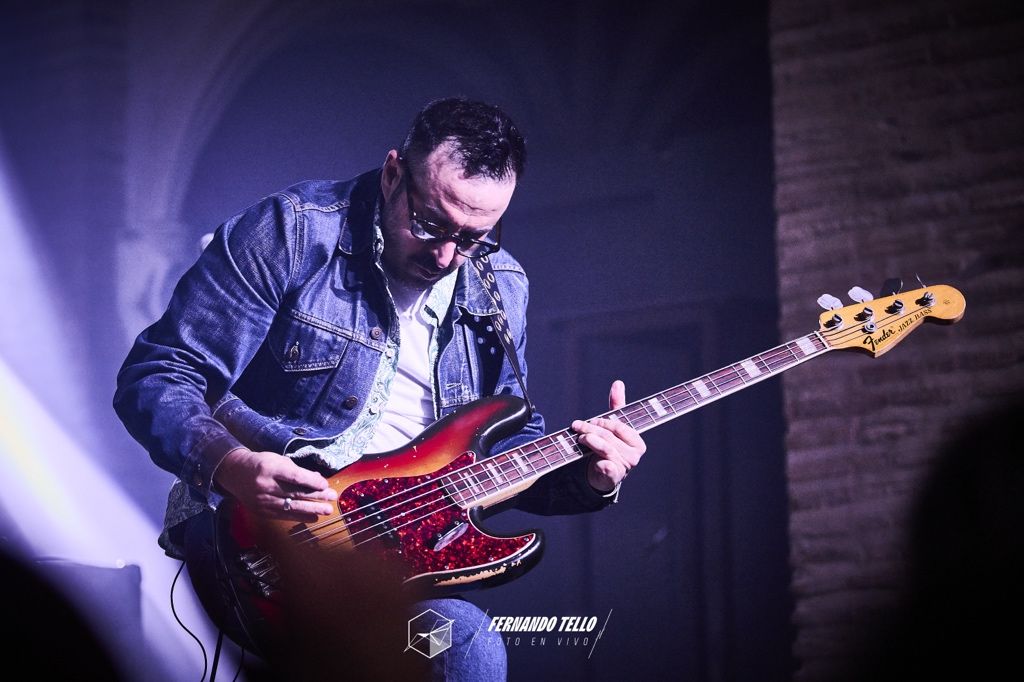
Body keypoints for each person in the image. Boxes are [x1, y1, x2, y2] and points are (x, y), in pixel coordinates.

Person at [114, 97, 646, 680]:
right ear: (393, 173)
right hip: (265, 540)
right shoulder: (292, 232)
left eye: (474, 238)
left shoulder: (502, 285)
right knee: (467, 646)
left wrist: (592, 476)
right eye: (430, 224)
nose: (446, 255)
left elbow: (505, 450)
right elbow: (159, 372)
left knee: (457, 643)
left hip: (404, 568)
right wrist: (232, 465)